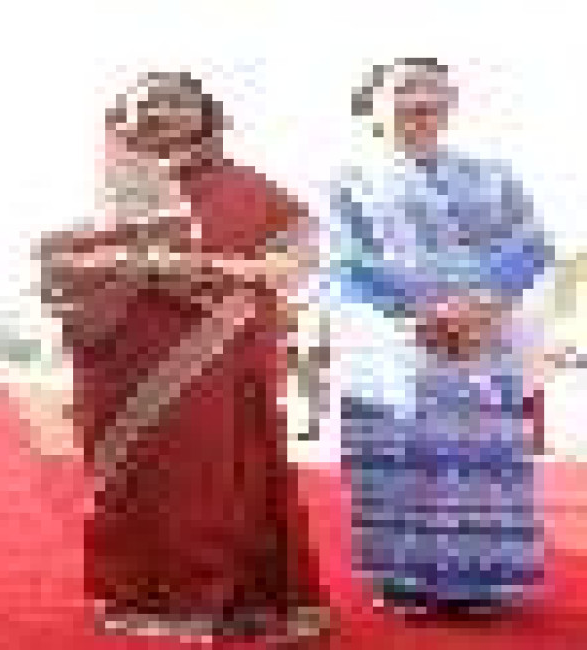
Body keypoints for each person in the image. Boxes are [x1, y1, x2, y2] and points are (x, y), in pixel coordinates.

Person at [35, 72, 330, 643]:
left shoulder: (250, 190)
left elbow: (294, 263)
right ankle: (141, 595)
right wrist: (128, 265)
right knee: (133, 476)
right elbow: (55, 271)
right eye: (147, 104)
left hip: (214, 356)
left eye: (177, 103)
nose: (161, 113)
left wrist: (205, 269)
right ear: (122, 116)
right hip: (119, 355)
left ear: (205, 116)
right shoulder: (106, 188)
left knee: (213, 473)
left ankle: (227, 599)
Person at [330, 58, 553, 616]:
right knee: (401, 456)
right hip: (395, 341)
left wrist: (482, 307)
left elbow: (531, 244)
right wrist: (417, 317)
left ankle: (486, 583)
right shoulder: (348, 181)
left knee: (483, 460)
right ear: (372, 107)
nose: (419, 100)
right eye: (403, 89)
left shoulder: (495, 174)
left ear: (451, 103)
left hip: (485, 336)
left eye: (432, 90)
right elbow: (343, 260)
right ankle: (405, 581)